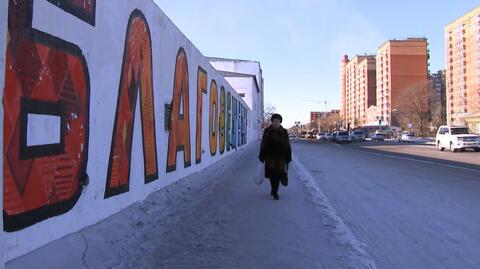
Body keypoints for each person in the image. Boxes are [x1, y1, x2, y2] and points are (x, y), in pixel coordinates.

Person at [258, 114, 292, 200]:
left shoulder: (284, 131)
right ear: (272, 122)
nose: (276, 123)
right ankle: (273, 189)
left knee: (278, 175)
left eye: (277, 121)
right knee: (271, 175)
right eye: (274, 121)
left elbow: (287, 144)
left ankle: (275, 192)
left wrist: (288, 156)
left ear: (280, 122)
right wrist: (261, 155)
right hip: (270, 157)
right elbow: (263, 143)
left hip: (281, 157)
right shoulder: (267, 131)